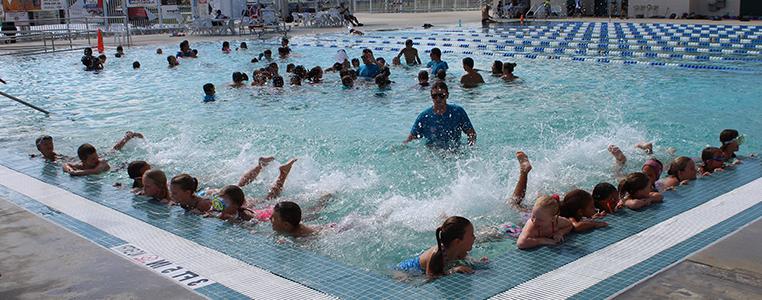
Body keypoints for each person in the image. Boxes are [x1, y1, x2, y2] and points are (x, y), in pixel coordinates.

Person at [504, 151, 573, 249]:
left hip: (535, 212)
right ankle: (524, 172)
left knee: (516, 202)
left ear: (553, 219)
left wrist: (560, 232)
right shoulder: (531, 223)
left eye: (539, 219)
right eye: (534, 217)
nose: (535, 221)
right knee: (513, 204)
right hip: (524, 217)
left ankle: (524, 172)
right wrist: (544, 240)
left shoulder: (557, 221)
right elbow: (521, 243)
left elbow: (569, 225)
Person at [396, 216, 478, 277]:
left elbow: (467, 261)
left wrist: (479, 262)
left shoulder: (460, 250)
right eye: (472, 235)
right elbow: (430, 277)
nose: (474, 237)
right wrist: (453, 270)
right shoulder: (437, 254)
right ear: (457, 242)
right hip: (404, 270)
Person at [404, 81, 476, 150]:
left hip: (455, 152)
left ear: (447, 95)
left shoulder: (458, 112)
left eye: (441, 95)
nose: (438, 98)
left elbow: (471, 133)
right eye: (434, 96)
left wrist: (469, 148)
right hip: (433, 156)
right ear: (431, 97)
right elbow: (410, 139)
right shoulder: (424, 117)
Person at [62, 131, 144, 176]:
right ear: (83, 160)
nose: (96, 159)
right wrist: (70, 169)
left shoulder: (101, 163)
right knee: (113, 151)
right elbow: (65, 164)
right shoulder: (81, 165)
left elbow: (96, 171)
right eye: (93, 159)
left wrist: (75, 173)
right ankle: (127, 137)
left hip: (120, 167)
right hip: (114, 164)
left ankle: (127, 137)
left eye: (96, 156)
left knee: (114, 151)